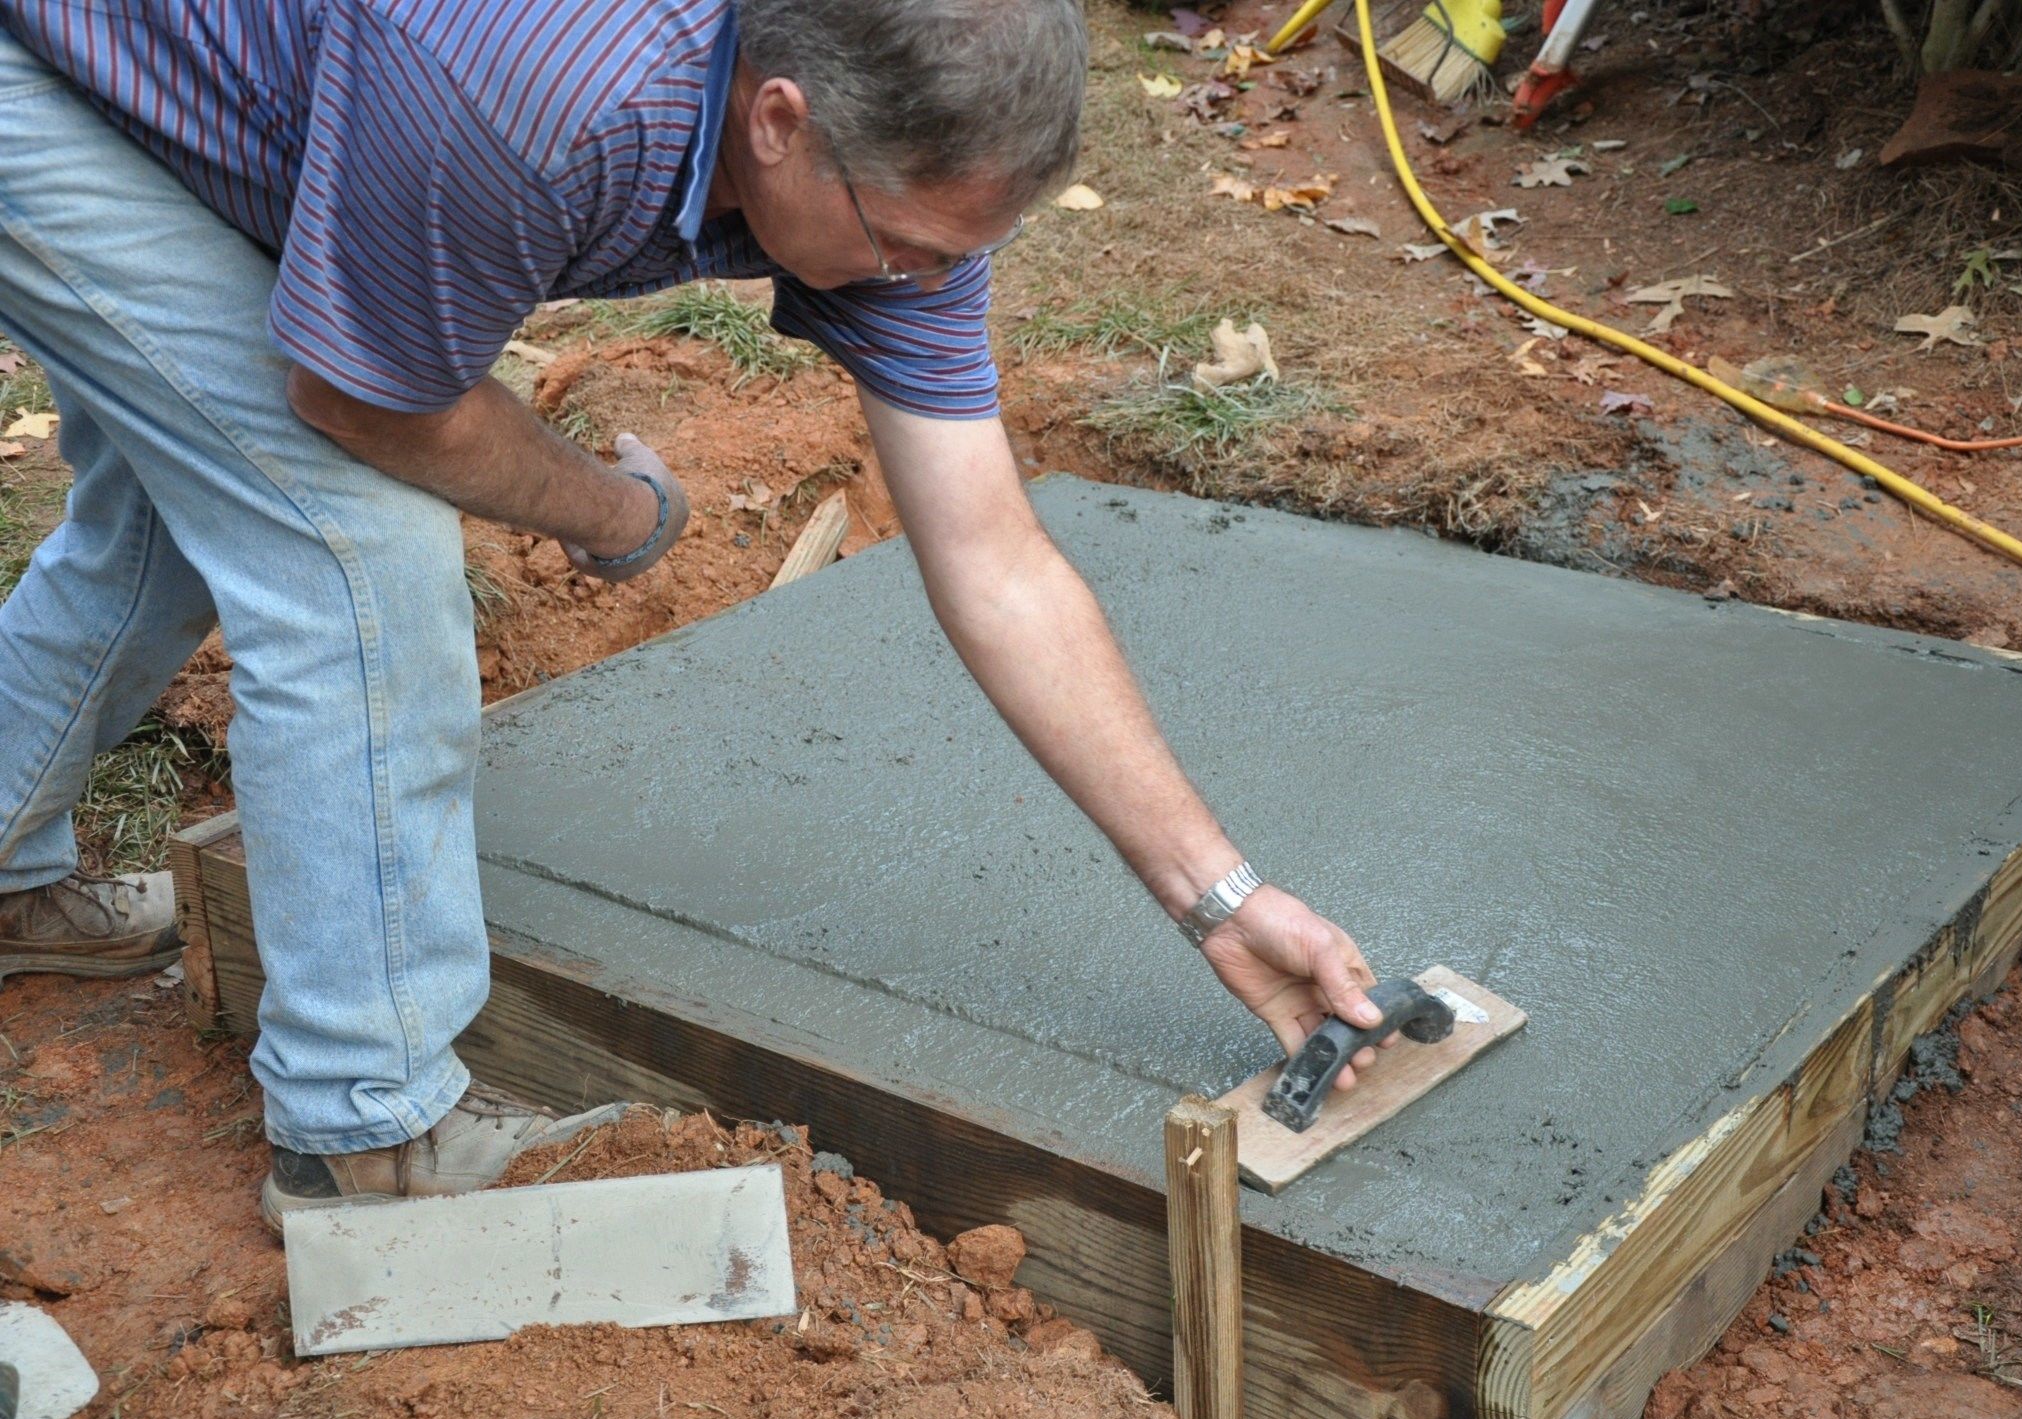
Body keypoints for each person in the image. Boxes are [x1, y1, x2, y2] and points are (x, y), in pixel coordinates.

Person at [0, 0, 1388, 1232]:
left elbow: (995, 554)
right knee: (349, 549)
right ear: (780, 122)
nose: (924, 281)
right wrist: (614, 513)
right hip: (51, 67)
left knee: (183, 499)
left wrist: (1219, 898)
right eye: (905, 248)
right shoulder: (545, 93)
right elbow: (365, 401)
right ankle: (366, 1136)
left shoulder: (895, 172)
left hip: (260, 77)